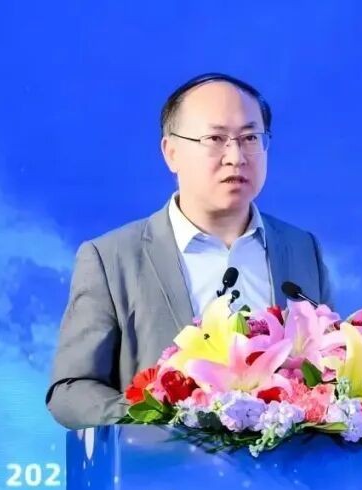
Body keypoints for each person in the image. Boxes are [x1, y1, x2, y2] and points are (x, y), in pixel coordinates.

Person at [46, 73, 333, 429]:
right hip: (163, 463)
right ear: (171, 152)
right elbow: (71, 390)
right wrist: (164, 425)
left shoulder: (302, 249)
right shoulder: (111, 259)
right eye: (215, 138)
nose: (236, 157)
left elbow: (330, 367)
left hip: (288, 464)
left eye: (250, 138)